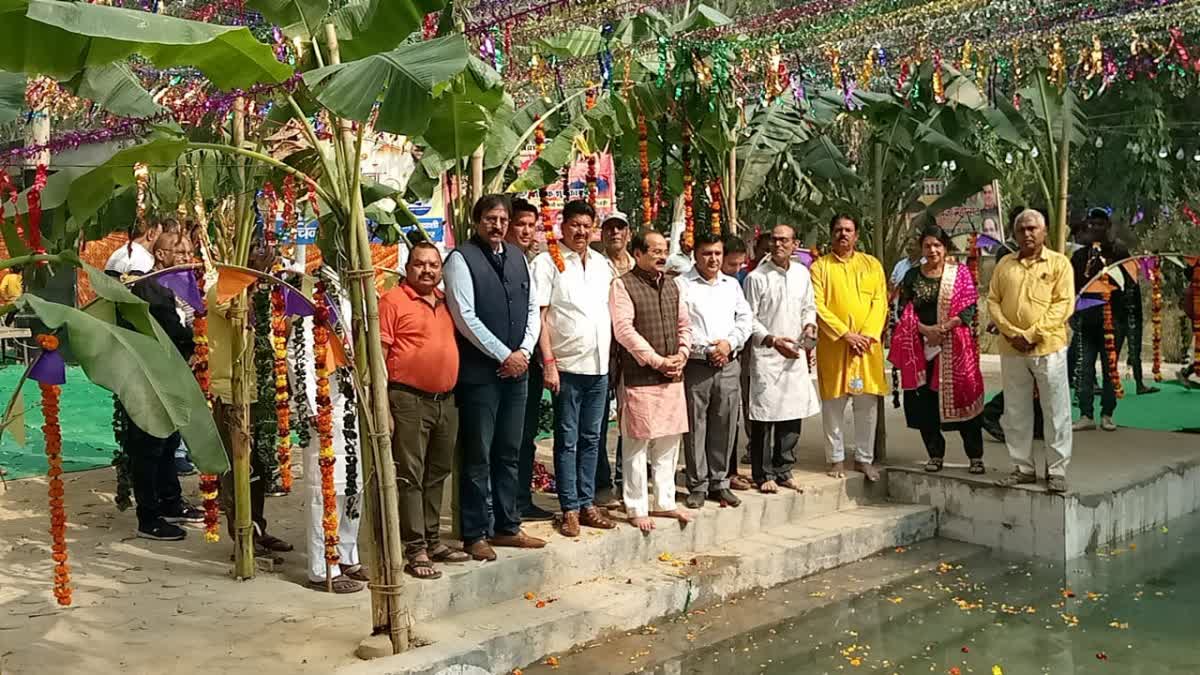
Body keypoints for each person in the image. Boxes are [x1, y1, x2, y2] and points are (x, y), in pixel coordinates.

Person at [443, 194, 545, 561]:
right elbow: (464, 315)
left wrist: (525, 353)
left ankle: (507, 526)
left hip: (517, 372)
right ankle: (474, 533)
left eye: (503, 219)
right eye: (490, 218)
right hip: (481, 374)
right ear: (476, 221)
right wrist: (505, 355)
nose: (497, 225)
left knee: (509, 450)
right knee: (478, 455)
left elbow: (533, 308)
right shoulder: (460, 260)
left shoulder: (518, 257)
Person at [379, 243, 471, 579]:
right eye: (420, 265)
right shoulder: (393, 301)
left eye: (433, 265)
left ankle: (433, 539)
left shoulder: (448, 302)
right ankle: (414, 547)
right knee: (410, 475)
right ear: (407, 267)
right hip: (408, 400)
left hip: (445, 401)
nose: (428, 271)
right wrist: (383, 406)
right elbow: (379, 352)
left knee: (438, 472)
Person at [533, 200, 617, 535]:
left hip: (598, 365)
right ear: (562, 226)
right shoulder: (547, 262)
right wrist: (549, 363)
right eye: (574, 225)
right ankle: (568, 507)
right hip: (566, 366)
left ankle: (587, 503)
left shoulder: (601, 263)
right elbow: (540, 316)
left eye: (586, 225)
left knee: (592, 438)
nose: (581, 231)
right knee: (566, 439)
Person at [208, 243, 293, 555]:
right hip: (231, 392)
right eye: (256, 258)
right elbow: (240, 311)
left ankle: (257, 528)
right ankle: (242, 537)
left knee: (257, 468)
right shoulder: (219, 289)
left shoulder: (259, 288)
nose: (264, 262)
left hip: (257, 391)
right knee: (236, 468)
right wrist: (256, 275)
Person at [609, 230, 694, 532]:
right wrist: (658, 360)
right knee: (637, 443)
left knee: (669, 442)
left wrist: (682, 353)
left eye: (664, 250)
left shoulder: (673, 285)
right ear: (638, 253)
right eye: (655, 251)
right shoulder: (622, 285)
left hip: (673, 373)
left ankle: (665, 502)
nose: (661, 256)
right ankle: (635, 506)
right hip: (639, 376)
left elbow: (685, 324)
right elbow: (624, 331)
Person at [122, 232, 203, 540]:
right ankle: (149, 516)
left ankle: (171, 502)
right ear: (159, 254)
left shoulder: (186, 285)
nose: (184, 256)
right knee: (149, 445)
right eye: (178, 251)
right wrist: (198, 337)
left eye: (189, 251)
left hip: (176, 375)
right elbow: (173, 331)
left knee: (169, 442)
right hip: (150, 377)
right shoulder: (150, 285)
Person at [988, 209, 1075, 493]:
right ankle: (1022, 467)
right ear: (1014, 234)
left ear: (1044, 232)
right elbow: (993, 302)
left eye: (1033, 228)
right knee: (1016, 410)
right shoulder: (1004, 265)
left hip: (1048, 347)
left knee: (1056, 411)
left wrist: (1031, 334)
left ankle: (1057, 470)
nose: (1027, 234)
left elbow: (1063, 305)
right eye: (1022, 229)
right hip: (1012, 350)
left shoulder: (1060, 264)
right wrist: (1012, 333)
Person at [292, 271, 368, 590]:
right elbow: (299, 360)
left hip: (350, 406)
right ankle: (323, 567)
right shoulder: (305, 308)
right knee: (322, 491)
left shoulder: (349, 301)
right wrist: (310, 408)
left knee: (353, 486)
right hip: (323, 407)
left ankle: (347, 555)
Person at [888, 227, 986, 473]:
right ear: (921, 249)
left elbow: (968, 309)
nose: (932, 250)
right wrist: (924, 329)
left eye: (937, 246)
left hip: (954, 346)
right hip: (920, 347)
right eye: (927, 246)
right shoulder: (912, 276)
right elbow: (903, 311)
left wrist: (944, 328)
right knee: (925, 403)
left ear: (945, 248)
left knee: (964, 397)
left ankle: (975, 456)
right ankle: (934, 454)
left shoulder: (959, 274)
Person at [676, 232, 752, 508]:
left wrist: (728, 344)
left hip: (728, 363)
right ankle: (697, 484)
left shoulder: (731, 285)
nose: (713, 259)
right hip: (697, 364)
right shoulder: (681, 285)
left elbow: (745, 320)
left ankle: (720, 482)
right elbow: (679, 325)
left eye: (717, 253)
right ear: (695, 254)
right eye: (707, 253)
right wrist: (706, 348)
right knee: (696, 426)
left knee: (725, 423)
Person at [743, 224, 822, 492]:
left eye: (784, 240)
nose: (778, 245)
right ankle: (763, 474)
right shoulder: (757, 278)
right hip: (767, 354)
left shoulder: (801, 274)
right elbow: (748, 319)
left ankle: (784, 468)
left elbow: (808, 307)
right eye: (774, 240)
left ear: (794, 243)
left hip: (795, 353)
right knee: (764, 417)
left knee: (792, 413)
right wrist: (773, 341)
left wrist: (809, 325)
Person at [810, 215, 888, 482]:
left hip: (866, 349)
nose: (843, 234)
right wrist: (845, 335)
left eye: (848, 230)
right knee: (833, 405)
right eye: (838, 230)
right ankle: (836, 459)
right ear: (831, 234)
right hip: (835, 347)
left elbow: (880, 302)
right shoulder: (820, 268)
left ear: (856, 235)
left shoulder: (872, 266)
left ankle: (864, 459)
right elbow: (818, 306)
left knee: (867, 407)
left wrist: (866, 336)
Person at [509, 198, 554, 522]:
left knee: (525, 437)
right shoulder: (494, 261)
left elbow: (537, 316)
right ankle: (503, 504)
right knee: (503, 440)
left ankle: (521, 499)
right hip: (501, 364)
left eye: (531, 225)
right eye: (520, 224)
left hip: (530, 362)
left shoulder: (530, 262)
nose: (526, 231)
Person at [1070, 210, 1133, 431]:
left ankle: (1107, 413)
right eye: (1092, 223)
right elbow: (1072, 289)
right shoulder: (1080, 256)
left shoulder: (1119, 252)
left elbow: (1130, 285)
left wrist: (1126, 321)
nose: (1096, 228)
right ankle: (1086, 414)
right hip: (1086, 322)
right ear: (1087, 226)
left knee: (1110, 369)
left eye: (1100, 224)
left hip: (1113, 322)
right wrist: (1072, 314)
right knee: (1085, 368)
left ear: (1107, 226)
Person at [594, 211, 635, 505]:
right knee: (596, 421)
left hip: (633, 353)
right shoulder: (595, 266)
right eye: (609, 228)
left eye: (620, 228)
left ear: (628, 233)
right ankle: (600, 482)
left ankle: (627, 478)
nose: (615, 233)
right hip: (602, 351)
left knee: (631, 418)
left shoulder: (638, 265)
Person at [721, 235, 754, 491]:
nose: (737, 270)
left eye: (741, 265)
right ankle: (715, 474)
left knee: (732, 416)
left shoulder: (737, 283)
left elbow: (745, 319)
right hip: (709, 356)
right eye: (732, 265)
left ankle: (730, 471)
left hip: (736, 352)